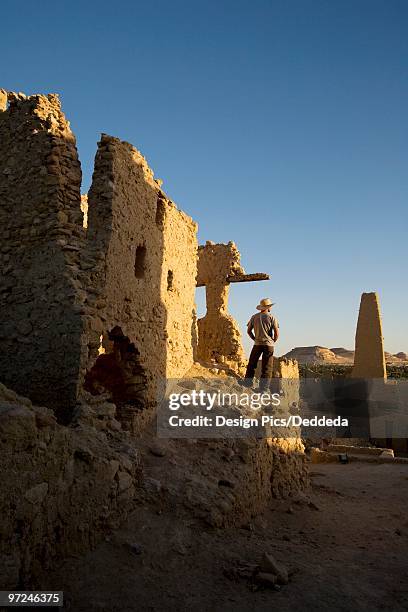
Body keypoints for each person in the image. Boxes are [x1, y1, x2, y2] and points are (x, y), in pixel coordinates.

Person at [243, 298, 279, 390]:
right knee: (267, 367)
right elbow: (276, 333)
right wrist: (273, 341)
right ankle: (264, 389)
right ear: (268, 307)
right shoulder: (272, 317)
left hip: (257, 344)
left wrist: (254, 339)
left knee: (252, 364)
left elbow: (248, 331)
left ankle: (247, 383)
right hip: (268, 345)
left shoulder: (254, 317)